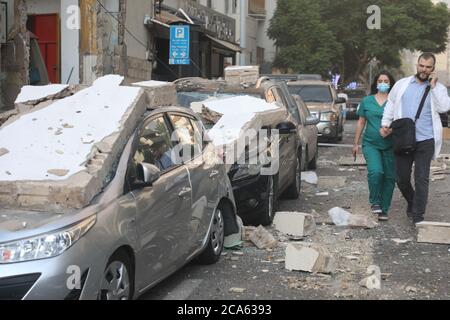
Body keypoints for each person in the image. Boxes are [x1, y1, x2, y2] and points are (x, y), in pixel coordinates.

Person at [380, 52, 450, 224]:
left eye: (428, 67)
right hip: (404, 138)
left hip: (426, 140)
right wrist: (385, 123)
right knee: (401, 178)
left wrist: (433, 86)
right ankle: (412, 201)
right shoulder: (402, 84)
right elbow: (391, 103)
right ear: (417, 65)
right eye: (421, 65)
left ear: (433, 69)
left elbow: (444, 108)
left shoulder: (438, 89)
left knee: (421, 178)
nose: (424, 70)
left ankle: (418, 216)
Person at [353, 71, 397, 221]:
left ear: (391, 84)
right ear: (376, 83)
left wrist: (391, 129)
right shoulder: (367, 101)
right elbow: (361, 122)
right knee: (376, 172)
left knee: (390, 177)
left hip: (391, 145)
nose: (383, 83)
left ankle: (384, 209)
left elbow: (403, 121)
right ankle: (375, 202)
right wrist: (356, 143)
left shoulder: (395, 101)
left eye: (386, 81)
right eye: (380, 81)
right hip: (370, 144)